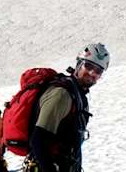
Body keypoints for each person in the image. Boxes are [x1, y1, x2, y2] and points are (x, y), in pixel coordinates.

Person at [24, 43, 109, 172]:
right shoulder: (62, 95)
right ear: (79, 64)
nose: (92, 73)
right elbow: (37, 140)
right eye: (88, 66)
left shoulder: (78, 96)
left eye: (98, 71)